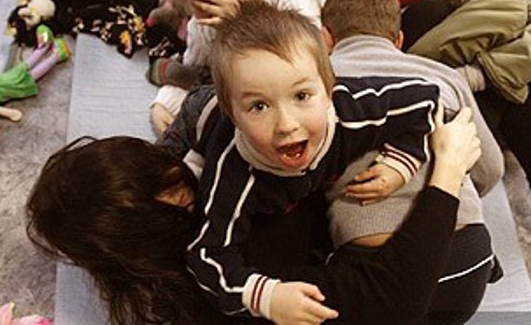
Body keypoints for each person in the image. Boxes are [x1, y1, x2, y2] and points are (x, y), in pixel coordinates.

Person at [26, 92, 482, 325]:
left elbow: (203, 111)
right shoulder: (239, 272)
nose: (181, 185)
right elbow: (397, 299)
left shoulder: (208, 158)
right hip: (430, 285)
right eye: (165, 189)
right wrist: (448, 167)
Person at [184, 0, 450, 323]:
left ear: (328, 90)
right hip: (216, 136)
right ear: (235, 115)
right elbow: (206, 255)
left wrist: (400, 163)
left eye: (301, 96)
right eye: (259, 106)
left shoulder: (352, 113)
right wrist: (267, 297)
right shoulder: (233, 171)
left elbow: (425, 100)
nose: (286, 124)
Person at [321, 0, 504, 324]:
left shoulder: (316, 84)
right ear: (399, 40)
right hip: (468, 265)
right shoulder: (443, 77)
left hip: (371, 270)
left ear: (326, 37)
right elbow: (490, 168)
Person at [149, 0, 329, 134]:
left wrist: (241, 21)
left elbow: (307, 67)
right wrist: (164, 103)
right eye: (201, 4)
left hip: (318, 58)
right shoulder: (203, 23)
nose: (213, 10)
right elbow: (195, 74)